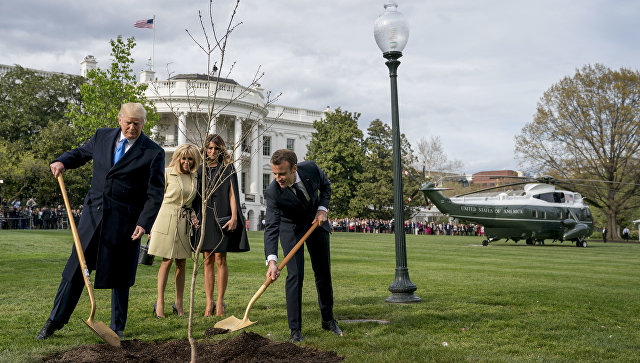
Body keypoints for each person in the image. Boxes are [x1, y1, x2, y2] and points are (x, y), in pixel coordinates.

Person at [36, 102, 165, 340]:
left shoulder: (153, 152)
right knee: (75, 271)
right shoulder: (102, 136)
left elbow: (155, 193)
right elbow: (81, 153)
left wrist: (144, 222)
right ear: (119, 120)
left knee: (121, 276)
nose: (132, 128)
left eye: (137, 124)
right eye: (128, 122)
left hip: (125, 224)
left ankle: (117, 327)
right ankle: (54, 321)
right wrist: (63, 160)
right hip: (92, 218)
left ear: (143, 124)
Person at [264, 149, 342, 343]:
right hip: (291, 228)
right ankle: (295, 330)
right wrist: (272, 261)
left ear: (295, 168)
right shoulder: (273, 192)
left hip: (316, 223)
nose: (278, 178)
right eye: (274, 173)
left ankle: (328, 320)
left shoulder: (311, 169)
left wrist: (322, 209)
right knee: (295, 276)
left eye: (282, 173)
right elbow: (272, 227)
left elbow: (326, 186)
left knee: (323, 272)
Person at [192, 134, 249, 317]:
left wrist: (234, 217)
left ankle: (221, 301)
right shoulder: (199, 169)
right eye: (209, 148)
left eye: (216, 148)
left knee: (220, 259)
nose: (212, 152)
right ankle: (209, 303)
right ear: (205, 149)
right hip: (205, 217)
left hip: (222, 216)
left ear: (221, 149)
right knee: (207, 259)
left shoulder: (227, 168)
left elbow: (233, 194)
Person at [148, 144, 201, 317]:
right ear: (178, 157)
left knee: (182, 262)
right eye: (184, 158)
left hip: (184, 222)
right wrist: (149, 224)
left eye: (190, 159)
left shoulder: (195, 177)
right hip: (165, 218)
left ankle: (179, 303)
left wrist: (193, 216)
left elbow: (190, 202)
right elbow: (155, 199)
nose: (187, 162)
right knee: (167, 260)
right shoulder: (166, 173)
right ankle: (160, 302)